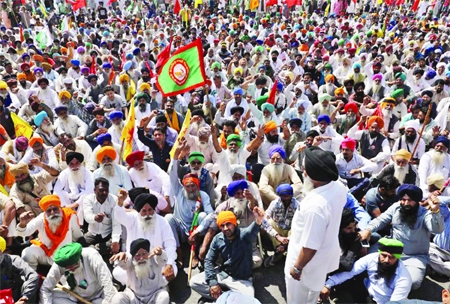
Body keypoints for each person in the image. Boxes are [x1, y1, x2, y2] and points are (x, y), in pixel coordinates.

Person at [285, 146, 347, 304]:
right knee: (311, 296)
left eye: (305, 169)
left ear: (312, 175)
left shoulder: (316, 206)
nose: (303, 172)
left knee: (299, 300)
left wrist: (297, 268)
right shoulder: (338, 187)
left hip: (306, 267)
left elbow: (310, 246)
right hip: (323, 257)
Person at [359, 184, 444, 290]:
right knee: (366, 262)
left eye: (410, 200)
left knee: (412, 282)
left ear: (417, 201)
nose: (406, 203)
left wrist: (435, 210)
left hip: (414, 256)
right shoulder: (396, 207)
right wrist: (368, 230)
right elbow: (381, 220)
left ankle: (419, 270)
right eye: (403, 200)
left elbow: (437, 230)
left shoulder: (425, 214)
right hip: (391, 250)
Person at [190, 209, 265, 301]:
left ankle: (222, 299)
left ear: (235, 223)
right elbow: (209, 260)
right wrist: (213, 283)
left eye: (228, 224)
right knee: (194, 282)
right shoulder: (217, 239)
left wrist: (258, 220)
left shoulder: (244, 235)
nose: (225, 228)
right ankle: (227, 297)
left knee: (249, 299)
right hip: (223, 274)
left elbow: (253, 229)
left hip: (241, 280)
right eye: (222, 225)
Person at [320, 238, 412, 304]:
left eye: (392, 257)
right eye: (384, 255)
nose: (387, 260)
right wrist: (327, 285)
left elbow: (395, 302)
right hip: (367, 293)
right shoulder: (372, 258)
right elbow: (351, 272)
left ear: (398, 258)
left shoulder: (404, 278)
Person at [113, 191, 177, 283]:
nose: (148, 214)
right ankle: (142, 287)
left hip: (156, 262)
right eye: (144, 211)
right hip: (136, 262)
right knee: (117, 273)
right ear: (139, 211)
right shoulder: (132, 219)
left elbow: (170, 244)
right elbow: (119, 216)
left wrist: (169, 264)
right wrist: (120, 203)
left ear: (154, 209)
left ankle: (145, 287)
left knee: (173, 270)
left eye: (150, 210)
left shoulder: (162, 221)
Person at [16, 195, 83, 270]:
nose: (53, 213)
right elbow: (24, 232)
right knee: (27, 254)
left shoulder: (70, 216)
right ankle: (33, 275)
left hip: (65, 255)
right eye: (49, 211)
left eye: (55, 209)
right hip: (45, 253)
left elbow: (77, 236)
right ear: (44, 212)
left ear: (60, 208)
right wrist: (22, 224)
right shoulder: (41, 219)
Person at [40, 242, 117, 303]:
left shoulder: (92, 256)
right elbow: (45, 288)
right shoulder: (60, 263)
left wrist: (107, 302)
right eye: (68, 268)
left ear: (79, 258)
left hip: (99, 295)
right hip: (75, 296)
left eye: (74, 266)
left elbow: (107, 284)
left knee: (116, 299)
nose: (72, 270)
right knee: (50, 297)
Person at [110, 239, 170, 304]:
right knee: (118, 298)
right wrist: (121, 258)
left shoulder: (154, 258)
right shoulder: (130, 261)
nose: (141, 258)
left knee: (164, 296)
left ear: (148, 253)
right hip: (134, 297)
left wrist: (160, 253)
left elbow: (163, 260)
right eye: (138, 255)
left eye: (144, 254)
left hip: (154, 296)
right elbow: (124, 263)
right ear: (133, 256)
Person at [262, 184, 299, 267]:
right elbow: (264, 219)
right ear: (279, 195)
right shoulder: (274, 204)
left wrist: (287, 240)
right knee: (269, 222)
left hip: (291, 232)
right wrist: (278, 237)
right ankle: (280, 248)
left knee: (297, 227)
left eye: (288, 196)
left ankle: (282, 249)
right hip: (277, 232)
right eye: (283, 196)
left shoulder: (298, 206)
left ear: (292, 195)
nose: (286, 198)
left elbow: (301, 225)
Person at [83, 178, 122, 257]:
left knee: (116, 243)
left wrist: (115, 241)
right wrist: (95, 218)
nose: (104, 193)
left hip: (107, 234)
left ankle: (93, 250)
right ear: (95, 190)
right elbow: (87, 216)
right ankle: (97, 249)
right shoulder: (88, 199)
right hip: (93, 233)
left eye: (106, 190)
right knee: (79, 243)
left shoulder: (114, 200)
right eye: (101, 190)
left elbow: (116, 223)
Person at [0, 236, 39, 304]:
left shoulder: (13, 260)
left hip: (17, 298)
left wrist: (24, 298)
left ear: (1, 251)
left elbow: (33, 275)